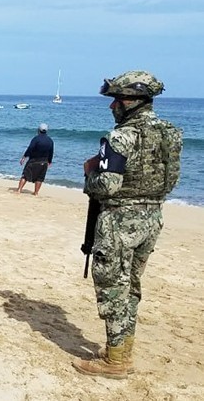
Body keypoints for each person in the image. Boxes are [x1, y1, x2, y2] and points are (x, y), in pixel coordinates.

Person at [73, 71, 182, 379]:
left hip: (120, 219)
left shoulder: (120, 137)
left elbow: (106, 186)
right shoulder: (169, 132)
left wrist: (89, 173)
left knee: (112, 288)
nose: (112, 108)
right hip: (152, 216)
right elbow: (171, 179)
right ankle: (119, 349)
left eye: (116, 101)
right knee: (131, 286)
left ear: (130, 103)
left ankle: (116, 361)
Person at [16, 123, 54, 195]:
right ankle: (36, 193)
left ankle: (19, 190)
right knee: (40, 178)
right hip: (44, 162)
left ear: (38, 130)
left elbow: (30, 148)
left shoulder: (36, 139)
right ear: (47, 131)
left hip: (34, 160)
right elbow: (51, 152)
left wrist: (24, 157)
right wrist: (49, 161)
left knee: (25, 175)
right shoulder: (50, 140)